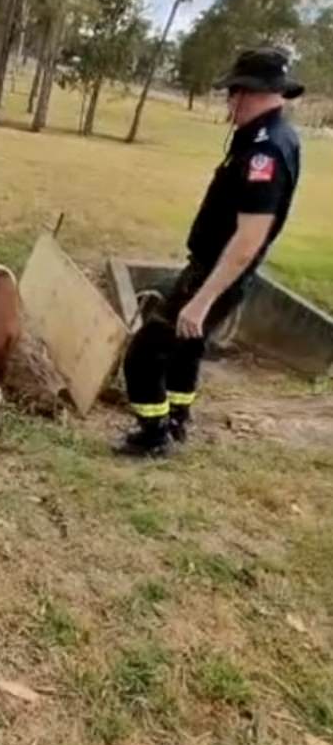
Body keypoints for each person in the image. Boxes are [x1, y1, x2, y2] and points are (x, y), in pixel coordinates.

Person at [113, 47, 304, 458]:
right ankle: (178, 417)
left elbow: (249, 237)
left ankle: (153, 434)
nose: (228, 104)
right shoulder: (274, 136)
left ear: (246, 93)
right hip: (214, 269)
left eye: (231, 94)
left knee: (145, 352)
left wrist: (201, 300)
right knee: (186, 345)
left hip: (217, 273)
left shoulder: (263, 153)